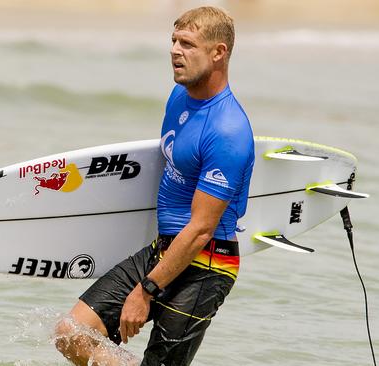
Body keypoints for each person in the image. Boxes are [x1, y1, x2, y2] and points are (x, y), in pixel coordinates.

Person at [55, 6, 255, 365]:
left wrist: (146, 290)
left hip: (206, 266)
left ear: (219, 52)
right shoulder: (180, 97)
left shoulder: (229, 131)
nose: (175, 51)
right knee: (72, 333)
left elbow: (200, 229)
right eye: (174, 41)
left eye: (188, 44)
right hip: (163, 250)